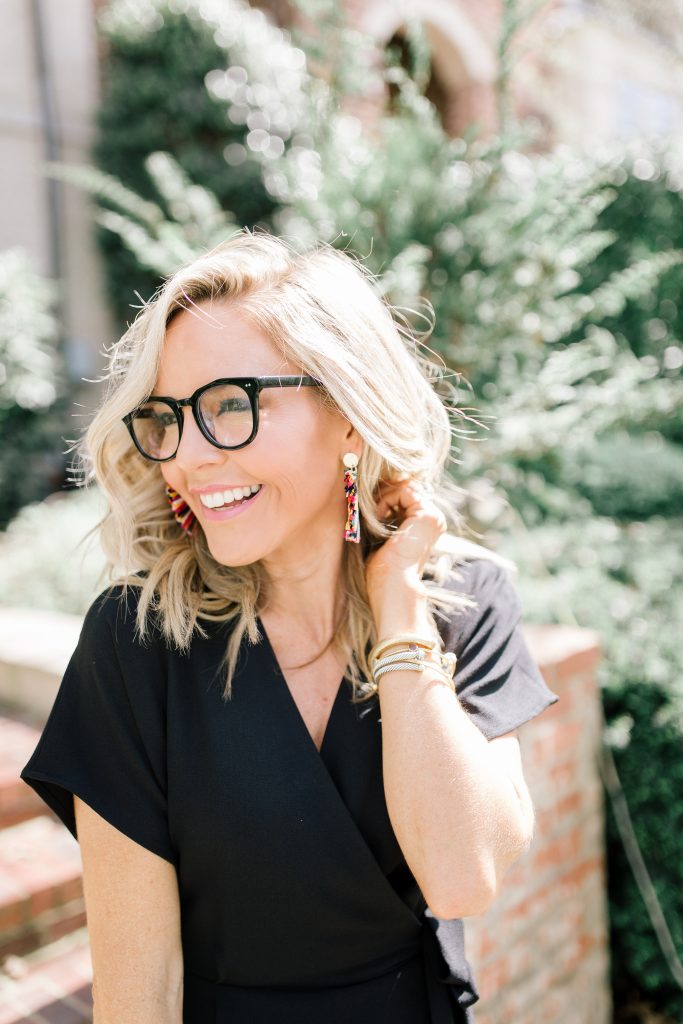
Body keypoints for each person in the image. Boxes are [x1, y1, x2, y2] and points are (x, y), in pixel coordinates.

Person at [21, 230, 559, 1024]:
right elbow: (139, 997)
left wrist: (396, 609)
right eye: (170, 417)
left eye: (230, 406)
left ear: (347, 414)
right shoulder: (136, 643)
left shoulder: (461, 600)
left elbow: (459, 875)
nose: (190, 456)